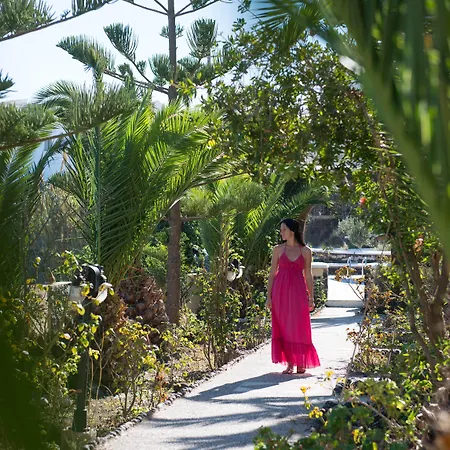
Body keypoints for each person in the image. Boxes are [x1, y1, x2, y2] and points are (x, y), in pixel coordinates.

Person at [266, 218, 320, 374]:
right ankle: (290, 363)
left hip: (298, 292)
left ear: (293, 230)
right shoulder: (278, 249)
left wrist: (311, 297)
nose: (281, 232)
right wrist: (269, 296)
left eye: (284, 229)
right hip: (280, 292)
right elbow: (272, 273)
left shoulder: (305, 251)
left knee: (299, 325)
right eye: (280, 230)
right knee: (284, 326)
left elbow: (308, 275)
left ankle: (301, 362)